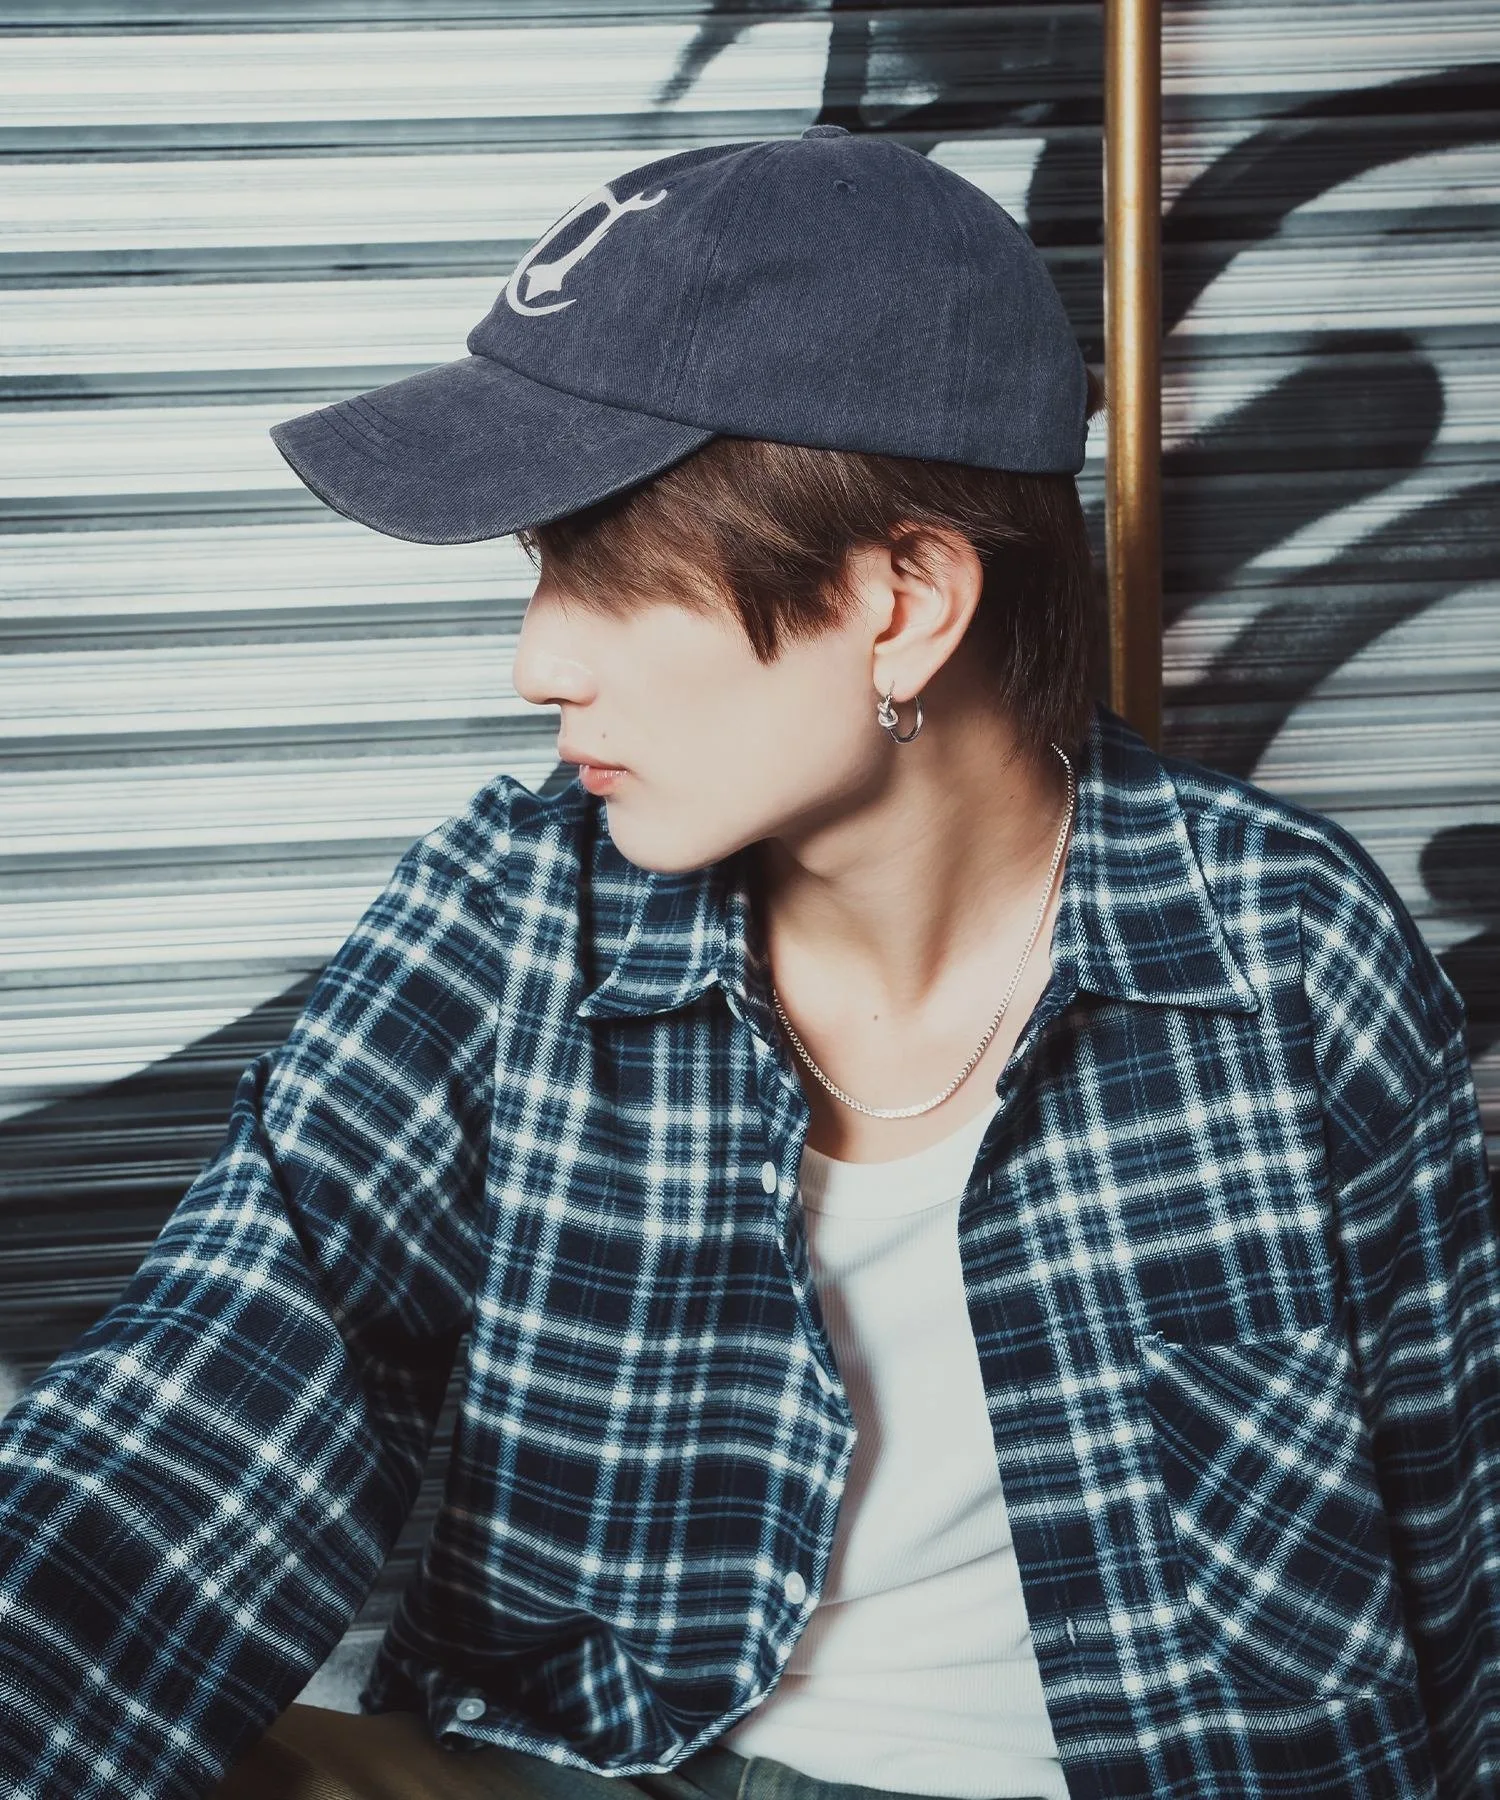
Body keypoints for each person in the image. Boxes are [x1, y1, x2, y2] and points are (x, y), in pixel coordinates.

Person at [0, 125, 1494, 1800]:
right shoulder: (513, 912)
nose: (536, 661)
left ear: (904, 600)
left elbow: (1461, 1540)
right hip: (592, 1766)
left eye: (607, 575)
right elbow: (203, 1402)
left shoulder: (1281, 950)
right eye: (540, 570)